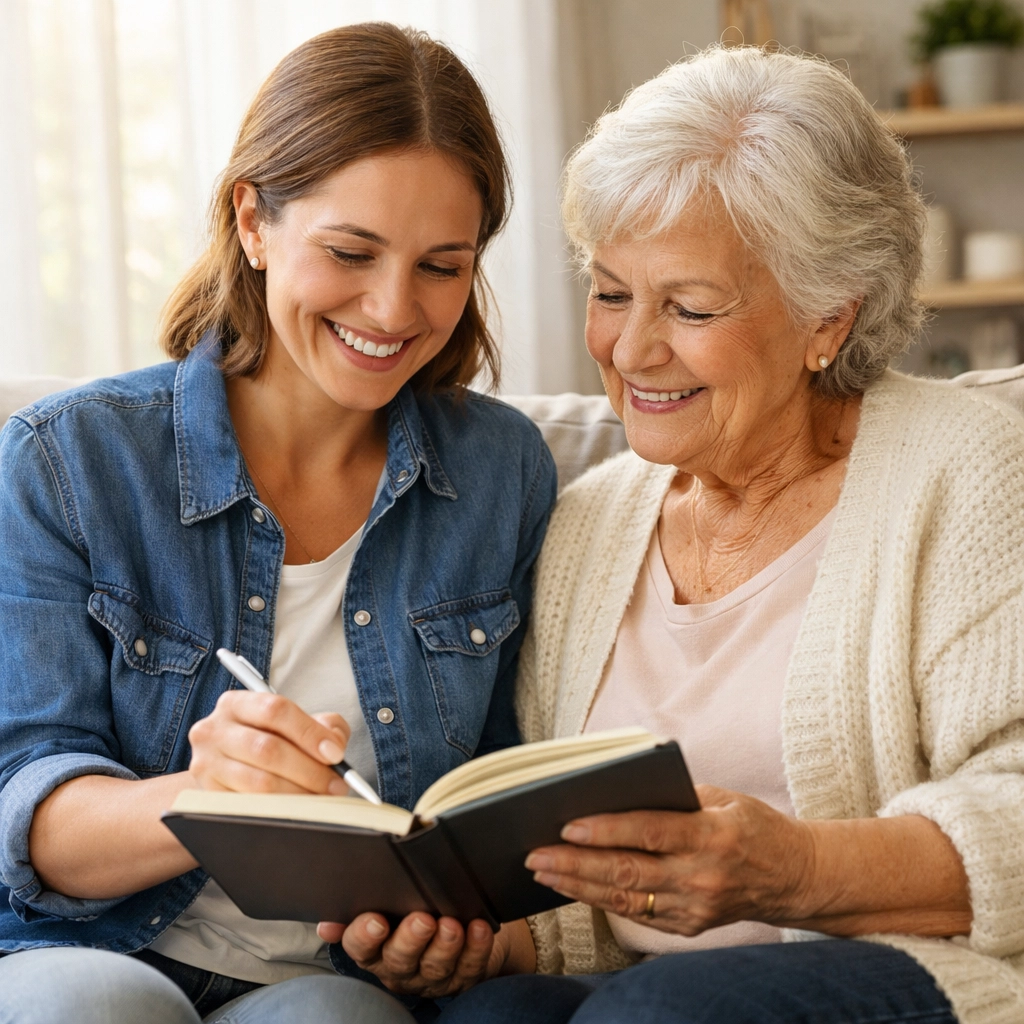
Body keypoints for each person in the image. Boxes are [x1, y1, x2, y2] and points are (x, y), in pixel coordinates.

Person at [339, 46, 1024, 1024]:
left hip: (914, 974)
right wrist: (473, 939)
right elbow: (597, 903)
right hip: (648, 987)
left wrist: (792, 870)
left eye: (690, 307)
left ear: (827, 318)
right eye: (611, 292)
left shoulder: (965, 470)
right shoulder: (591, 521)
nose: (631, 348)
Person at [0, 22, 554, 1024]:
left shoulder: (501, 472)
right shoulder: (69, 457)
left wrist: (456, 931)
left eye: (442, 264)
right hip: (93, 942)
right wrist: (201, 796)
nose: (392, 309)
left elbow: (504, 800)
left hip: (333, 977)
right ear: (252, 221)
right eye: (351, 251)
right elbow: (29, 811)